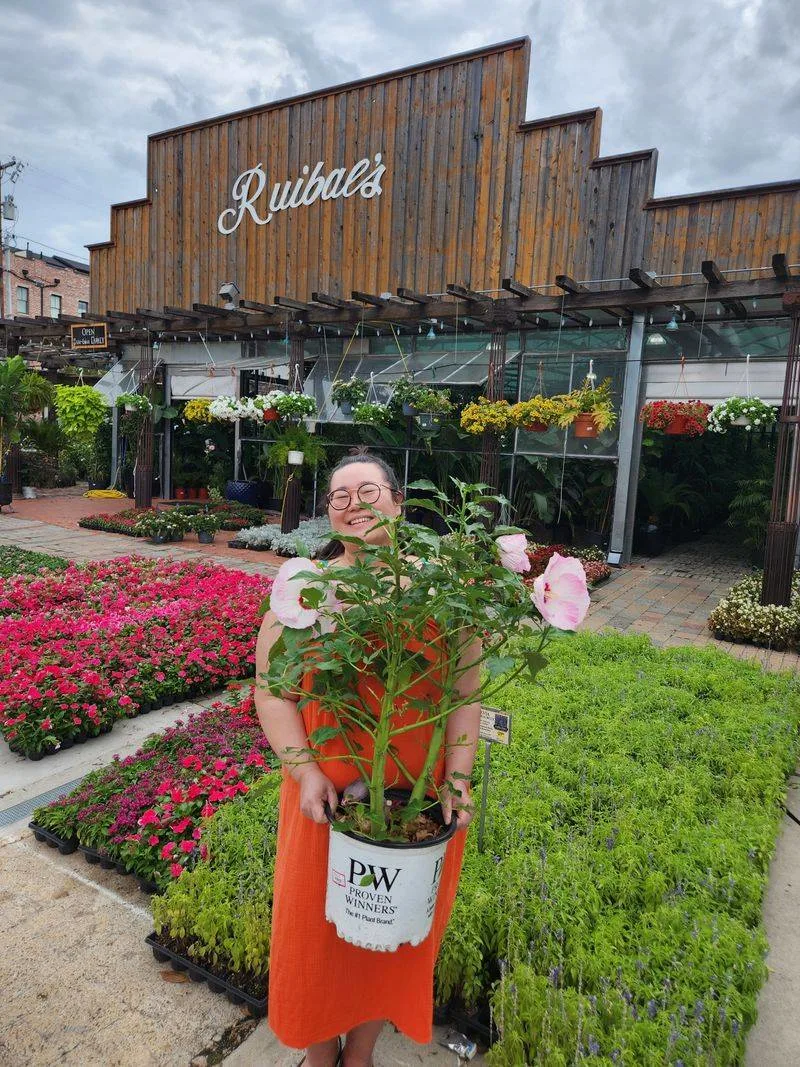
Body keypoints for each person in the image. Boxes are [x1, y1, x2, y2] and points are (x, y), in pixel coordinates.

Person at [254, 453, 481, 1067]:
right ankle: (319, 1052)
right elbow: (273, 693)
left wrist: (458, 778)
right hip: (324, 801)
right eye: (339, 496)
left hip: (417, 808)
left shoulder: (445, 590)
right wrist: (305, 772)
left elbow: (465, 694)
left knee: (390, 938)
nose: (353, 505)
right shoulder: (305, 591)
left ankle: (360, 1053)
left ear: (399, 502)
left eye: (368, 491)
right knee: (318, 935)